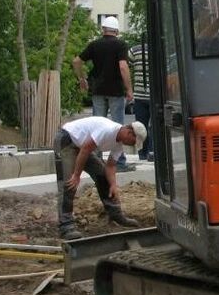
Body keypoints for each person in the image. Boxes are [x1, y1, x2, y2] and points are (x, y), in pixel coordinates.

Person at [53, 116, 145, 240]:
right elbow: (86, 150)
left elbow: (110, 166)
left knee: (102, 174)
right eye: (133, 142)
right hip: (66, 140)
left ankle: (115, 213)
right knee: (69, 183)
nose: (132, 145)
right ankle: (65, 226)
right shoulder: (108, 130)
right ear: (129, 132)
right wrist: (76, 175)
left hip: (80, 145)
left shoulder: (118, 144)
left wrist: (113, 185)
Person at [73, 16, 135, 172]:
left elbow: (76, 61)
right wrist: (129, 89)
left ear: (103, 30)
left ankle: (96, 162)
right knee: (118, 127)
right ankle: (119, 162)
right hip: (115, 91)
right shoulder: (121, 45)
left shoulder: (95, 45)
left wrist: (82, 79)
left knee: (96, 127)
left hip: (98, 90)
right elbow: (123, 67)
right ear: (117, 30)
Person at [128, 40, 153, 161]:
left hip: (139, 94)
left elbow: (126, 65)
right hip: (155, 95)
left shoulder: (134, 50)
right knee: (154, 126)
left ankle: (142, 153)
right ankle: (152, 152)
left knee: (141, 126)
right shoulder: (159, 48)